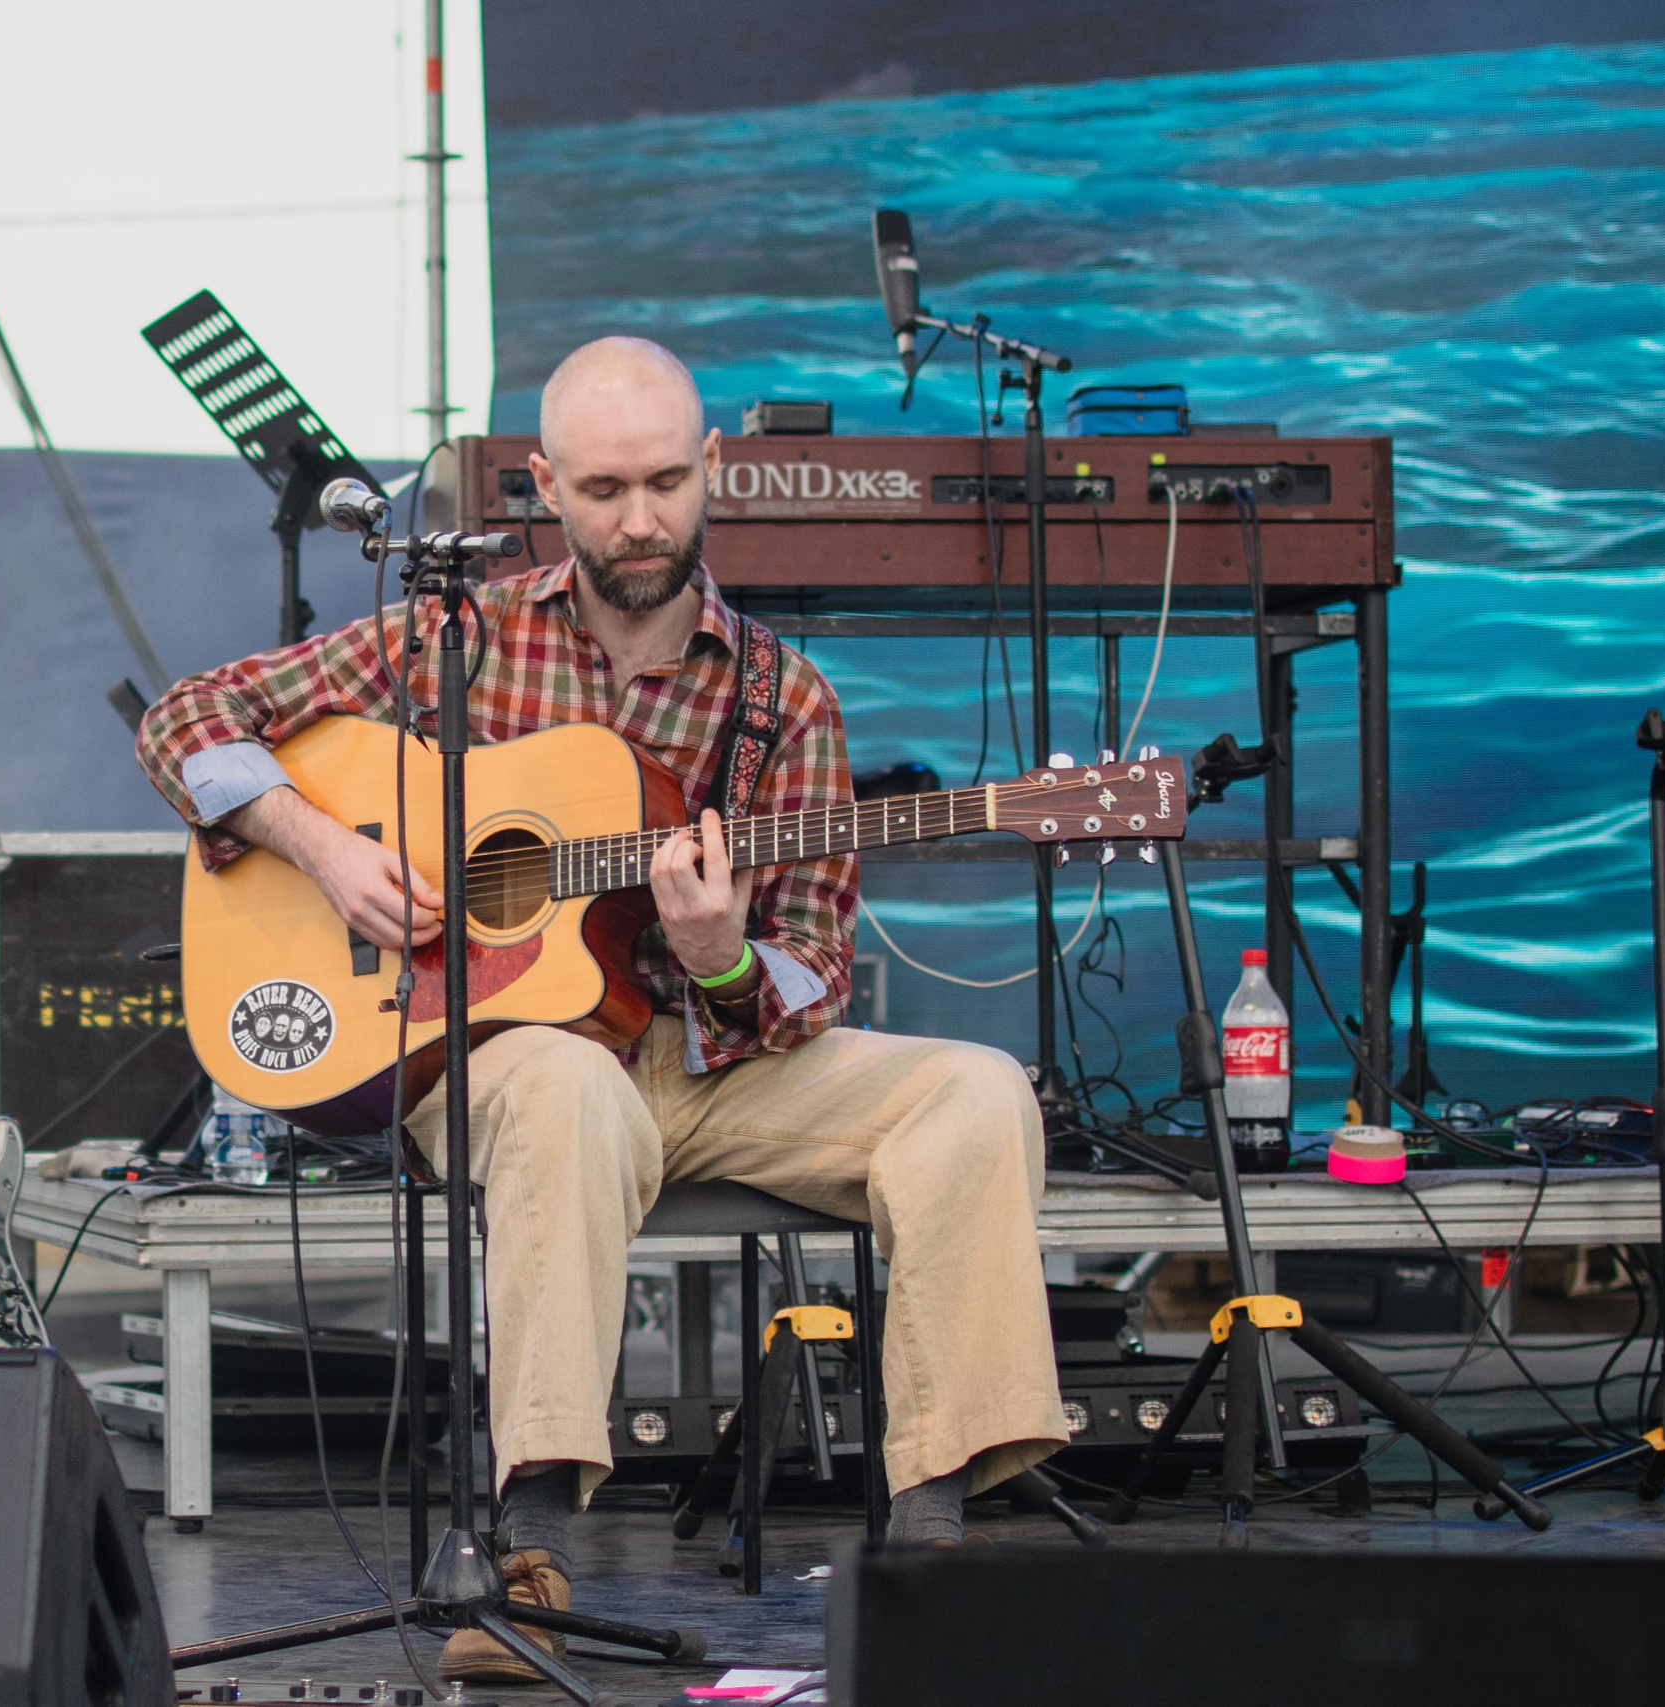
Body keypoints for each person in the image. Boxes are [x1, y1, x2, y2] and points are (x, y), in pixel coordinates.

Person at [138, 336, 1066, 1684]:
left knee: (974, 1085)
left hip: (703, 1064)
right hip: (503, 1065)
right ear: (543, 487)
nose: (641, 520)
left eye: (670, 483)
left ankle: (931, 1533)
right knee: (568, 1087)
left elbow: (812, 973)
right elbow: (187, 720)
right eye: (606, 488)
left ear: (716, 474)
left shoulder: (781, 697)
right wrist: (322, 846)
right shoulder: (456, 637)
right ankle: (524, 1541)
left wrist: (722, 953)